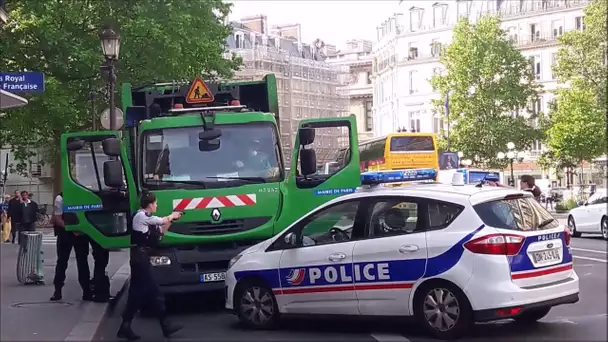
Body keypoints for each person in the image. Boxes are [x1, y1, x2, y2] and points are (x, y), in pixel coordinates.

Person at [117, 191, 183, 341]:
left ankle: (125, 326)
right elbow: (159, 221)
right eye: (155, 203)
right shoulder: (141, 216)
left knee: (135, 294)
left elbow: (159, 233)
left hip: (141, 258)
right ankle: (165, 326)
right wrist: (170, 216)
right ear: (150, 204)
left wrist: (172, 221)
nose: (157, 205)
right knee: (154, 291)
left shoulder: (147, 221)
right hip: (140, 259)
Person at [50, 192, 92, 301]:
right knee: (62, 262)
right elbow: (58, 219)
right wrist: (72, 228)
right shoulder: (60, 198)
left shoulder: (84, 195)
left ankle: (86, 291)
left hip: (81, 233)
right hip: (66, 233)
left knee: (82, 262)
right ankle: (58, 290)